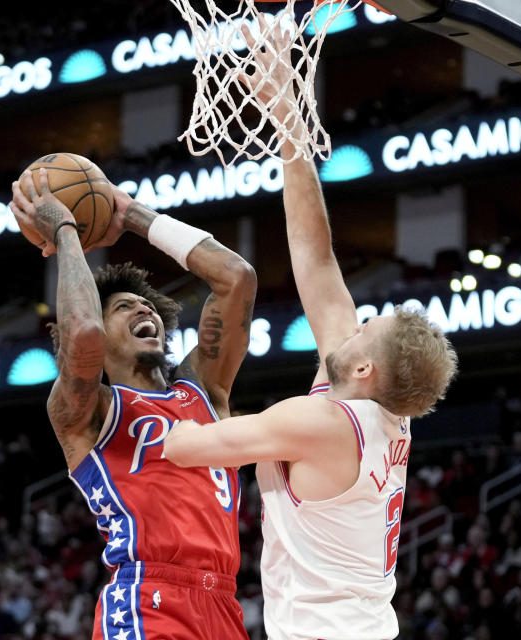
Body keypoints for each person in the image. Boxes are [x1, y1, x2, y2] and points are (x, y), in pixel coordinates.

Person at [163, 26, 458, 640]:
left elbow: (184, 449)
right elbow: (316, 261)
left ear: (366, 366)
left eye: (369, 325)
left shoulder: (322, 421)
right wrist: (289, 123)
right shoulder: (373, 406)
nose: (360, 318)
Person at [8, 166, 257, 640]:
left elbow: (236, 279)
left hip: (225, 605)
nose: (144, 309)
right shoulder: (86, 411)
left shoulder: (203, 390)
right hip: (148, 600)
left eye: (146, 308)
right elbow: (83, 334)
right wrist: (66, 232)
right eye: (123, 307)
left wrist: (131, 214)